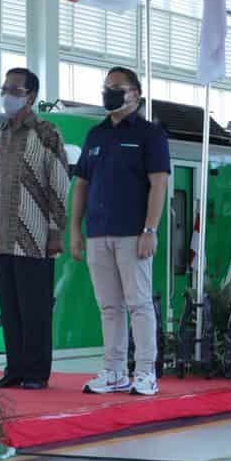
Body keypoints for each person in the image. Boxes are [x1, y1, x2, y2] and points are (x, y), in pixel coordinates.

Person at [70, 66, 170, 397]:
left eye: (117, 87)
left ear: (135, 94)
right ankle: (113, 371)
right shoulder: (95, 135)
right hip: (98, 233)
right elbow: (81, 184)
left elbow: (159, 183)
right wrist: (75, 229)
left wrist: (150, 229)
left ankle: (145, 372)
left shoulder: (150, 134)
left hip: (133, 234)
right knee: (109, 307)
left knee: (139, 303)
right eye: (106, 87)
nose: (108, 93)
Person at [0, 68, 70, 390]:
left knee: (34, 307)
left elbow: (60, 183)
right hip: (1, 235)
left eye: (14, 89)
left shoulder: (47, 133)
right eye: (4, 87)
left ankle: (35, 372)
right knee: (10, 306)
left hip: (33, 235)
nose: (7, 94)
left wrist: (55, 230)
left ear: (30, 96)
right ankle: (14, 369)